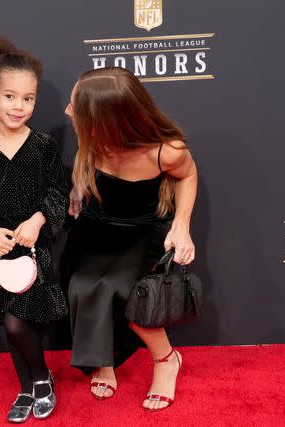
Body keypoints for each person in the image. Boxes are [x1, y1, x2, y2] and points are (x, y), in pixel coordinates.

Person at [63, 67, 198, 411]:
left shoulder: (166, 150)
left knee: (124, 290)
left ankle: (167, 360)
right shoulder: (92, 137)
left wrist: (181, 224)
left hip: (143, 229)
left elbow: (188, 174)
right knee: (82, 285)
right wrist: (80, 187)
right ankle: (103, 359)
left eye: (75, 106)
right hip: (98, 224)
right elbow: (85, 161)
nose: (67, 111)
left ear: (108, 118)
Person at [0, 37, 69, 423]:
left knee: (20, 320)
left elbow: (59, 193)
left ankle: (38, 380)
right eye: (9, 97)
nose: (18, 107)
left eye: (28, 99)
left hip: (34, 249)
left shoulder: (43, 147)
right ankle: (31, 384)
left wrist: (38, 220)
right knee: (11, 322)